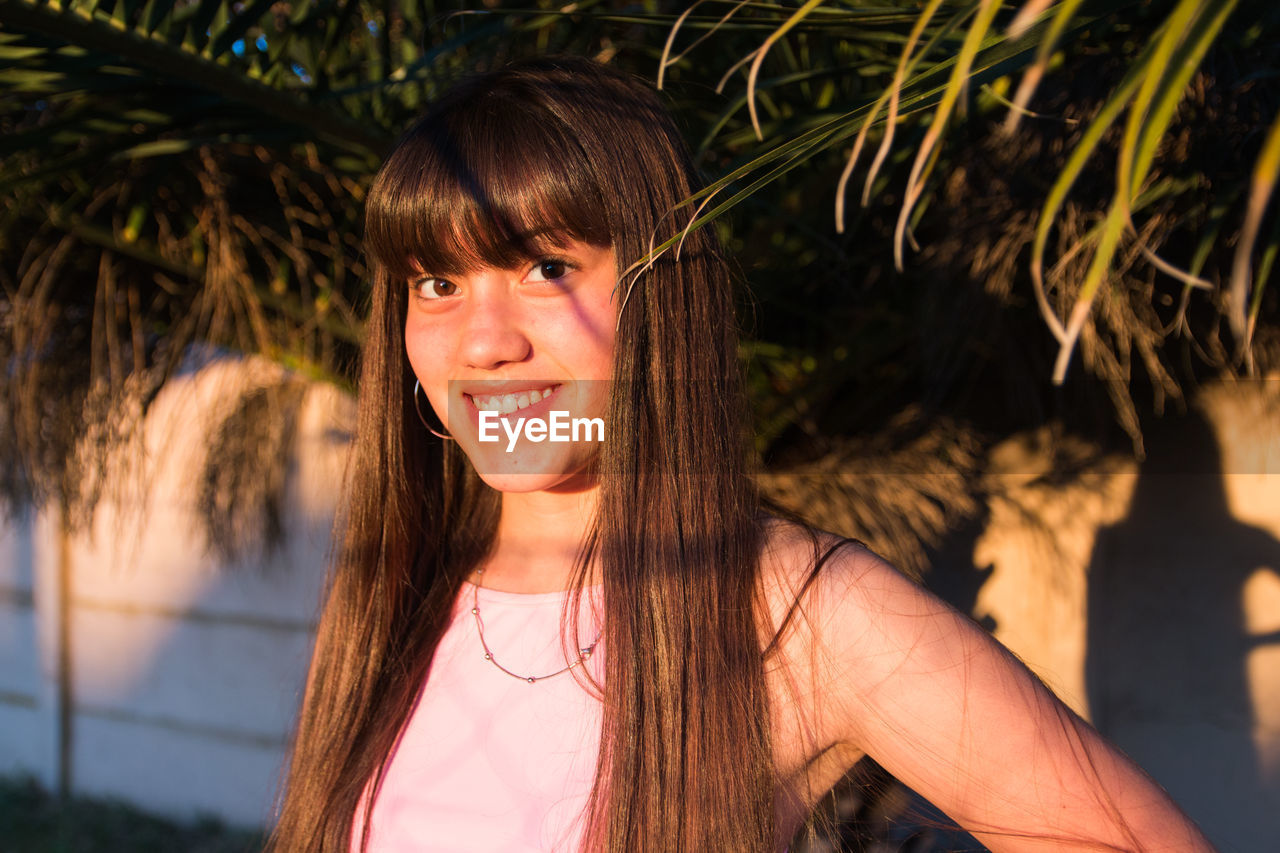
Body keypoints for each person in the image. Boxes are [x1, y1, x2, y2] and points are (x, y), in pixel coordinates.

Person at [267, 56, 1215, 852]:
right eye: (436, 282)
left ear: (657, 290)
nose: (482, 343)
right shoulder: (402, 590)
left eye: (547, 268)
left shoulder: (790, 606)